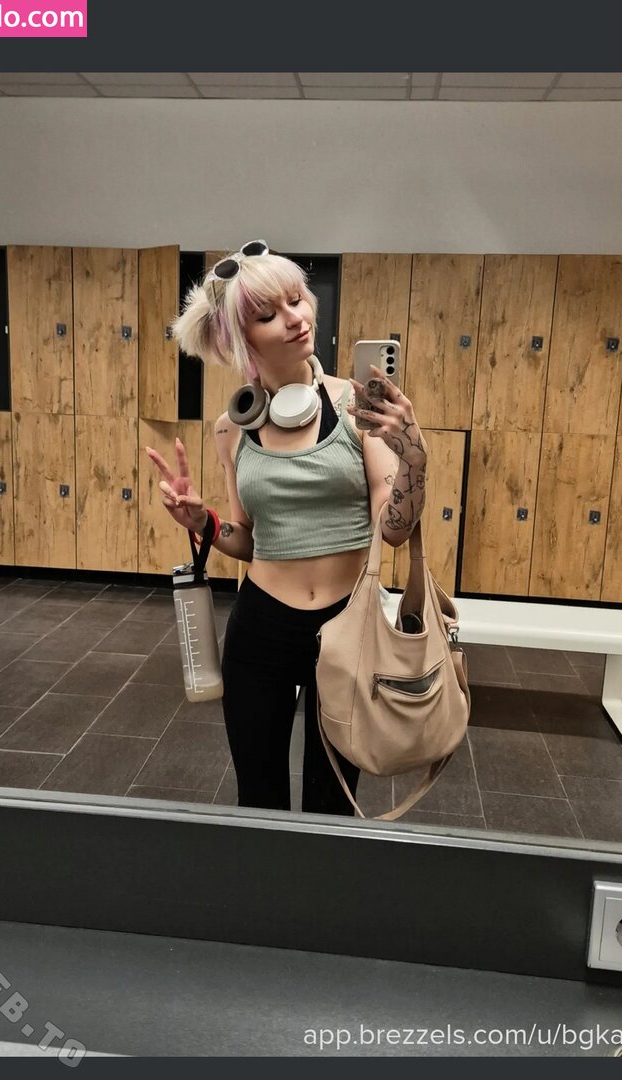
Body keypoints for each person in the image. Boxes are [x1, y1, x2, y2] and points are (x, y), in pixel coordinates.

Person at [146, 240, 428, 817]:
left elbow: (394, 531)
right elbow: (248, 539)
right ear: (240, 338)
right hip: (261, 628)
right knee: (259, 798)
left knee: (333, 803)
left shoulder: (358, 407)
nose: (295, 318)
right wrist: (203, 522)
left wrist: (413, 457)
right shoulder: (232, 428)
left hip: (346, 627)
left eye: (297, 300)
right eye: (268, 314)